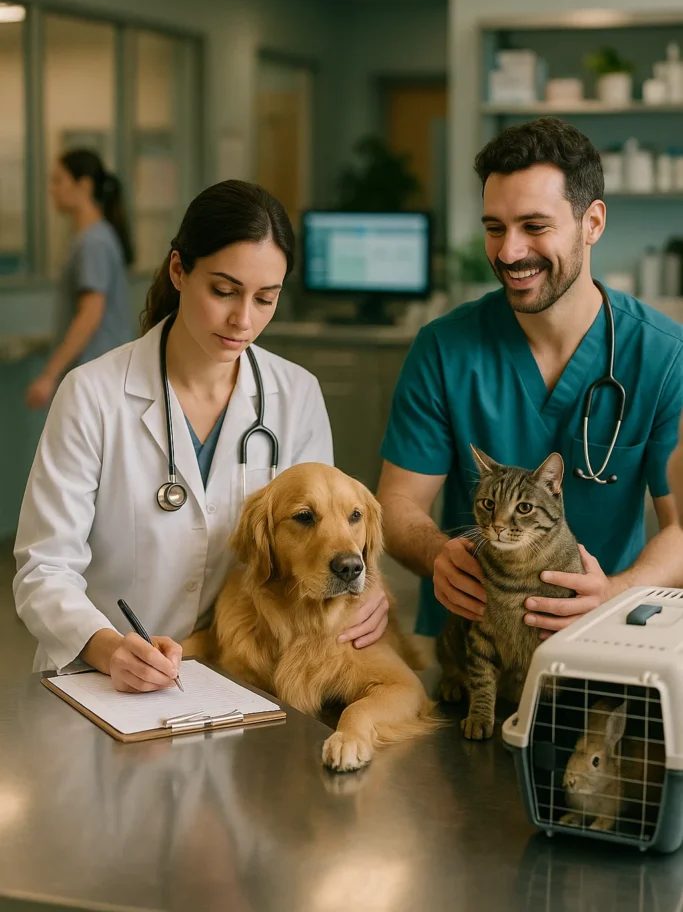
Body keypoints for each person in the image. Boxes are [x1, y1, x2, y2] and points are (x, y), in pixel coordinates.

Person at [14, 180, 389, 691]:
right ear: (179, 270)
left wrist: (364, 589)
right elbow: (43, 569)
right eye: (224, 291)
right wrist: (106, 648)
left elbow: (318, 550)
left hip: (230, 674)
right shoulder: (92, 394)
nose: (243, 320)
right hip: (99, 679)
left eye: (266, 298)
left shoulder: (296, 394)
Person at [377, 117, 683, 642]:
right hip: (474, 647)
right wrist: (437, 555)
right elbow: (398, 504)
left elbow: (680, 526)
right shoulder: (444, 348)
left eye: (534, 227)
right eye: (495, 228)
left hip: (603, 638)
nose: (509, 252)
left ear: (592, 223)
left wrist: (614, 591)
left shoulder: (664, 355)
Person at [26, 149, 134, 410]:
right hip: (101, 374)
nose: (52, 189)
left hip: (97, 373)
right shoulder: (92, 238)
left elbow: (90, 313)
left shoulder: (93, 242)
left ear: (83, 185)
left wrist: (49, 374)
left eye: (58, 180)